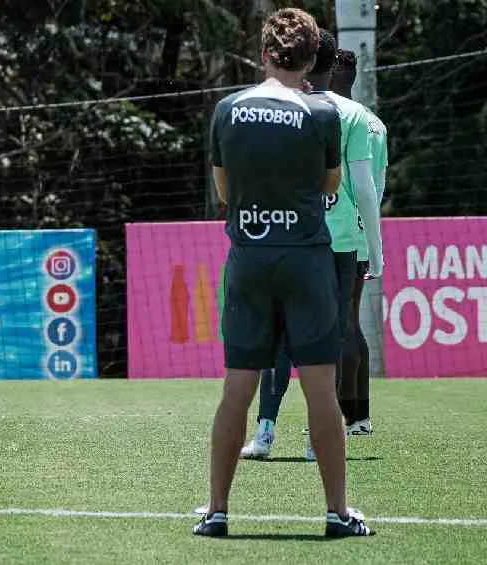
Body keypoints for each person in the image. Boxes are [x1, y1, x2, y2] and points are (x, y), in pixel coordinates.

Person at [196, 8, 372, 537]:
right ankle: (338, 514)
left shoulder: (228, 110)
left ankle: (217, 512)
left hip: (249, 259)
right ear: (313, 58)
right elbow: (329, 185)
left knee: (237, 390)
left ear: (265, 54)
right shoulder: (324, 115)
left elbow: (224, 194)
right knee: (321, 390)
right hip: (306, 260)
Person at [237, 29, 382, 461]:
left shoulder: (276, 108)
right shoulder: (356, 115)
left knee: (279, 338)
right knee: (329, 338)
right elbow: (366, 186)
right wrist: (375, 246)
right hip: (339, 242)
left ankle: (264, 432)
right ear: (332, 64)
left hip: (286, 238)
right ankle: (318, 439)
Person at [334, 48, 387, 435]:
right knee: (351, 321)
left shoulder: (329, 116)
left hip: (335, 233)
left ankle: (337, 415)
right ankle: (360, 416)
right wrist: (375, 242)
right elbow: (376, 188)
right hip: (361, 230)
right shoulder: (376, 125)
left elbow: (362, 187)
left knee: (339, 325)